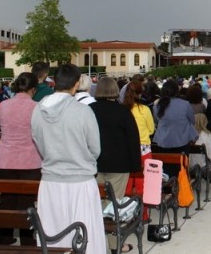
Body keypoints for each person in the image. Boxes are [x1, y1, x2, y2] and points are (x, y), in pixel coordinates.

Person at [30, 64, 106, 253]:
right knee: (85, 236)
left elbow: (38, 142)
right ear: (76, 83)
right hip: (80, 181)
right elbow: (95, 149)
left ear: (55, 81)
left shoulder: (38, 109)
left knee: (54, 233)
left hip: (50, 182)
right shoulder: (83, 111)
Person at [90, 77, 141, 254]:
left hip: (94, 164)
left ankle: (95, 241)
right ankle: (114, 245)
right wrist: (136, 165)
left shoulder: (89, 110)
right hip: (119, 165)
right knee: (114, 206)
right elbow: (133, 140)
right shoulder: (123, 112)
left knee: (97, 204)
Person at [0, 73, 41, 246]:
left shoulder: (4, 105)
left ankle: (5, 237)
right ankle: (27, 240)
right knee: (27, 203)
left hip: (6, 159)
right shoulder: (36, 107)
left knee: (7, 200)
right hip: (30, 160)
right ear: (33, 89)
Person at [153, 80, 199, 176]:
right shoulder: (185, 104)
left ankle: (167, 184)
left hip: (163, 142)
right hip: (181, 140)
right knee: (180, 167)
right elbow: (193, 121)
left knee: (166, 167)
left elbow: (157, 121)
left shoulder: (157, 105)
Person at [123, 80, 156, 203]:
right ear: (140, 94)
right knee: (144, 182)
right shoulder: (144, 109)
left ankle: (126, 212)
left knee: (127, 183)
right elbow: (151, 129)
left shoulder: (123, 109)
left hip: (127, 150)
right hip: (143, 149)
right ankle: (144, 213)